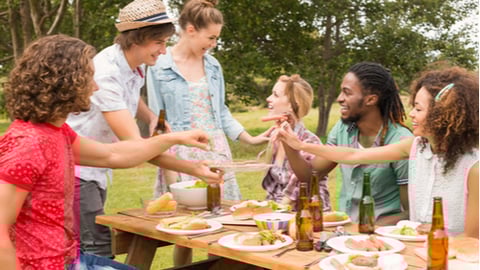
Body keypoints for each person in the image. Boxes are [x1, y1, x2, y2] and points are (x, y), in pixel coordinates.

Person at [0, 34, 214, 270]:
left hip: (68, 260)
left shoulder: (57, 133)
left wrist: (175, 138)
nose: (96, 86)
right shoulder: (28, 143)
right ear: (66, 82)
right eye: (89, 77)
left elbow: (113, 155)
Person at [66, 0, 221, 259]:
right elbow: (137, 149)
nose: (163, 51)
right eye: (158, 43)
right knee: (97, 248)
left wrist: (149, 116)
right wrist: (192, 165)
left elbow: (130, 97)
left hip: (95, 170)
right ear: (137, 39)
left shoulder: (133, 65)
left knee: (88, 246)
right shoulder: (106, 73)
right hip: (78, 171)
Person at [279, 66, 479, 238]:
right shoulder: (415, 146)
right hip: (416, 250)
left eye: (418, 109)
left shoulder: (473, 168)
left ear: (442, 116)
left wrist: (435, 235)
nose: (411, 114)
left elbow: (471, 239)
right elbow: (353, 155)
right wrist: (301, 145)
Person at [146, 0, 270, 265]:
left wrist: (250, 138)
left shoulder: (213, 66)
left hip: (216, 152)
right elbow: (158, 122)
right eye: (210, 37)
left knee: (224, 221)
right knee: (184, 227)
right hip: (179, 153)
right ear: (190, 29)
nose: (213, 43)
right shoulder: (158, 65)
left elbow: (221, 112)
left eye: (217, 38)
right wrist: (169, 171)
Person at [281, 62, 412, 225]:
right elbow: (310, 176)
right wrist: (288, 140)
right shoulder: (342, 129)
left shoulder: (400, 141)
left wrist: (365, 228)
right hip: (346, 230)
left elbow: (410, 212)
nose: (339, 98)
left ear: (371, 99)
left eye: (347, 93)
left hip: (383, 236)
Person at [261, 74, 331, 211]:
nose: (268, 98)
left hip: (309, 215)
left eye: (275, 95)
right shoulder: (275, 138)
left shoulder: (310, 142)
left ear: (293, 104)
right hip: (279, 214)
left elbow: (296, 192)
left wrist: (276, 212)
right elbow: (274, 188)